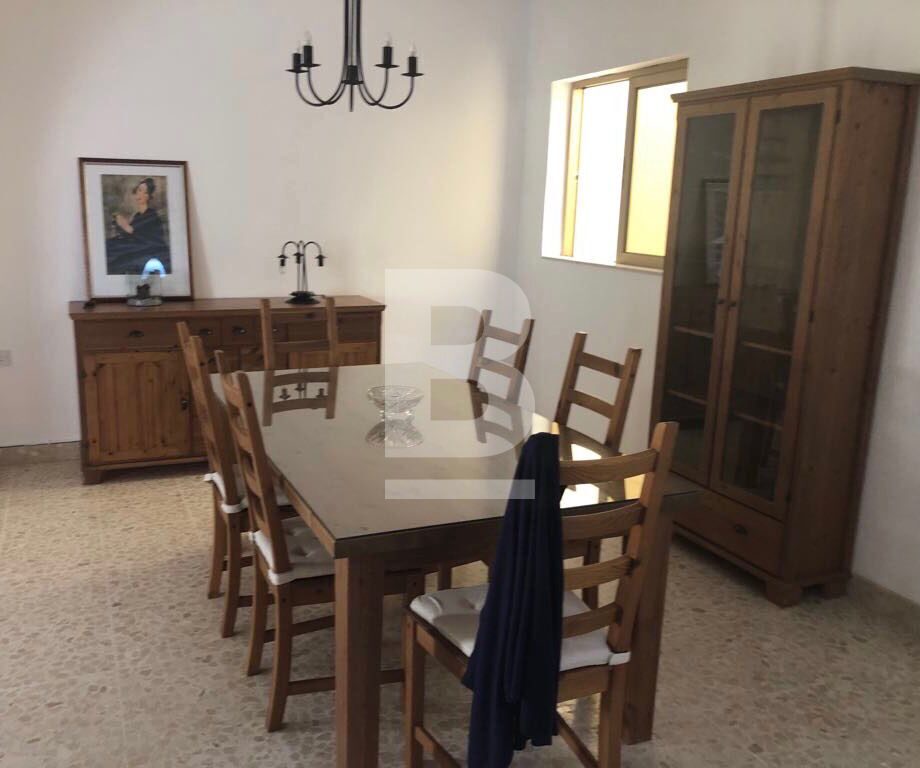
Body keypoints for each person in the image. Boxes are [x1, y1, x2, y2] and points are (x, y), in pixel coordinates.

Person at [105, 177, 170, 275]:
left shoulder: (152, 215)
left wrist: (125, 225)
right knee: (110, 245)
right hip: (136, 249)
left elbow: (143, 236)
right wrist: (120, 226)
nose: (140, 194)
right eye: (139, 190)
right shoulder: (138, 216)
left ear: (148, 196)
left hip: (148, 252)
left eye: (145, 192)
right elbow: (130, 234)